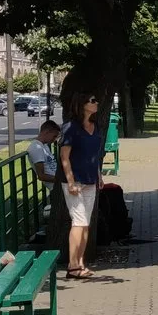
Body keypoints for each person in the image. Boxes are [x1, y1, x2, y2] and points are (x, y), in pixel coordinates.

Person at [59, 93, 105, 279]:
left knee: (85, 223)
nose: (96, 103)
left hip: (90, 180)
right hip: (75, 181)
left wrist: (99, 175)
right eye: (92, 101)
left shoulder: (96, 127)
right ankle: (72, 266)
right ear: (82, 104)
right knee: (79, 222)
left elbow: (94, 156)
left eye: (96, 100)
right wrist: (70, 182)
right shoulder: (71, 128)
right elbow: (64, 157)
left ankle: (81, 263)